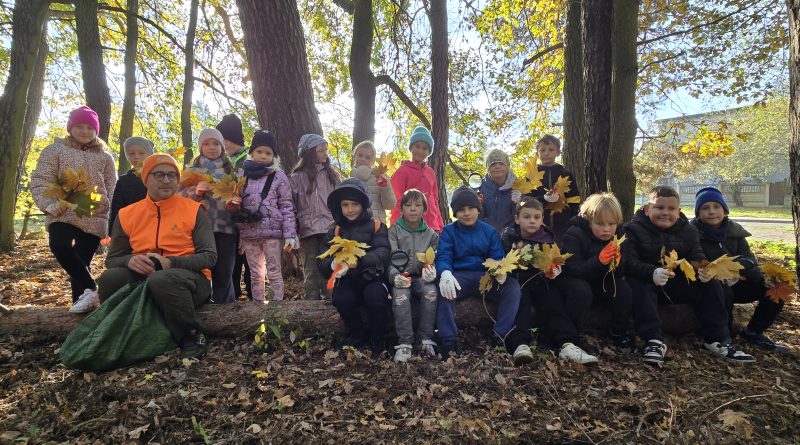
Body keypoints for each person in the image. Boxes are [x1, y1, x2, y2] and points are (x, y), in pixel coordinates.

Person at [97, 153, 216, 360]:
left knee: (162, 278)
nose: (167, 180)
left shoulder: (194, 210)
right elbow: (112, 259)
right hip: (143, 277)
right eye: (159, 175)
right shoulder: (127, 214)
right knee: (109, 278)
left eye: (172, 175)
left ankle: (191, 336)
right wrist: (130, 260)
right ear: (146, 179)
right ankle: (121, 334)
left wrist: (170, 262)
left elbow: (209, 257)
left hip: (190, 281)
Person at [624, 186, 755, 363]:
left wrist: (704, 270)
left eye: (671, 209)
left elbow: (697, 256)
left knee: (711, 284)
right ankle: (653, 340)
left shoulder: (688, 231)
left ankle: (717, 339)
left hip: (677, 283)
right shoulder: (632, 229)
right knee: (638, 284)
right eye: (659, 207)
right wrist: (651, 272)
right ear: (647, 209)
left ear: (678, 211)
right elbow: (628, 262)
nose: (665, 213)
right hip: (649, 282)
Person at [30, 105, 117, 313]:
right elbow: (41, 179)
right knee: (59, 245)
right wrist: (48, 204)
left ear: (96, 130)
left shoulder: (105, 157)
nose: (85, 131)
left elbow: (113, 187)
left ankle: (81, 307)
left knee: (82, 259)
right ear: (70, 128)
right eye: (80, 126)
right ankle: (92, 288)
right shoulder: (56, 150)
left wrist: (113, 218)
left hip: (95, 213)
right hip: (63, 210)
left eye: (90, 127)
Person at [562, 193, 665, 365]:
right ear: (589, 221)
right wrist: (599, 261)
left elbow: (623, 269)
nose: (607, 229)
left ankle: (619, 330)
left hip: (604, 280)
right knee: (581, 291)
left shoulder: (620, 235)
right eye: (600, 224)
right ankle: (573, 333)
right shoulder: (575, 234)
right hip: (579, 279)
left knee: (623, 290)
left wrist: (617, 263)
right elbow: (573, 269)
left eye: (611, 224)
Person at [691, 187, 787, 351]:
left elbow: (749, 260)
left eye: (716, 206)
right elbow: (695, 262)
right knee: (723, 291)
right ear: (698, 213)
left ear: (725, 210)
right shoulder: (692, 233)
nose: (711, 212)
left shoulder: (735, 232)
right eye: (705, 208)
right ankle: (724, 335)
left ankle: (753, 331)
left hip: (739, 281)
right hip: (710, 285)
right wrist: (719, 273)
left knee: (777, 288)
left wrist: (761, 278)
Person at [502, 198, 593, 364]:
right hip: (518, 280)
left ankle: (567, 343)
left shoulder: (548, 239)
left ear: (542, 219)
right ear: (517, 219)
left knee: (553, 302)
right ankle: (520, 343)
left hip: (541, 280)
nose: (532, 221)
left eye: (536, 217)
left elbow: (556, 262)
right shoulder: (509, 237)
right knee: (521, 303)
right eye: (527, 217)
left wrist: (554, 270)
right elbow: (503, 259)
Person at [436, 186, 522, 360]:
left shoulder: (489, 231)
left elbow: (497, 255)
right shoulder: (449, 231)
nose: (467, 213)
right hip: (459, 276)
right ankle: (448, 340)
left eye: (471, 208)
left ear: (478, 209)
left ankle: (499, 336)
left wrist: (500, 270)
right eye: (461, 210)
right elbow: (444, 255)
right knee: (445, 291)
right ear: (456, 213)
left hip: (486, 276)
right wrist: (445, 273)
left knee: (512, 287)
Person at [318, 178, 391, 358]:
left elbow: (383, 252)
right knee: (342, 298)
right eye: (345, 205)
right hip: (346, 280)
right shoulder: (335, 231)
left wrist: (360, 260)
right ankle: (357, 335)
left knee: (375, 297)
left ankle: (378, 338)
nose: (350, 209)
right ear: (339, 207)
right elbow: (322, 259)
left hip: (372, 278)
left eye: (355, 204)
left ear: (363, 205)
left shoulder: (377, 226)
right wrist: (333, 264)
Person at [236, 130, 297, 301]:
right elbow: (238, 206)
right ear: (252, 152)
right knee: (255, 274)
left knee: (274, 272)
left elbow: (286, 206)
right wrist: (240, 235)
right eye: (259, 151)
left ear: (274, 156)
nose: (263, 156)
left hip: (272, 234)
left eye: (268, 153)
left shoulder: (279, 176)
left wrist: (290, 234)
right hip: (249, 234)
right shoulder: (241, 176)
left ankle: (277, 307)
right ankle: (258, 307)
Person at [182, 128, 237, 304]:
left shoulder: (231, 171)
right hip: (199, 230)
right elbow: (178, 199)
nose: (211, 147)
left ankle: (225, 307)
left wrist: (235, 204)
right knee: (202, 269)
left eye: (216, 144)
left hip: (226, 228)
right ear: (200, 147)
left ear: (222, 147)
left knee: (224, 270)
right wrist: (195, 192)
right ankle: (202, 305)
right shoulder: (191, 171)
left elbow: (240, 195)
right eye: (206, 144)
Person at [387, 189, 439, 362]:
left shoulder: (431, 235)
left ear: (425, 210)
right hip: (401, 277)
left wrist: (432, 273)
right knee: (400, 296)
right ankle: (405, 343)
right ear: (401, 209)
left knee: (431, 292)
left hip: (421, 278)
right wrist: (395, 276)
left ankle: (426, 339)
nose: (413, 209)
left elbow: (435, 259)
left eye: (418, 205)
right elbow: (389, 260)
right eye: (408, 205)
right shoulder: (394, 231)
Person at [290, 134, 341, 300]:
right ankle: (310, 300)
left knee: (329, 264)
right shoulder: (297, 178)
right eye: (321, 150)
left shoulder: (332, 175)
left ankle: (331, 298)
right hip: (308, 229)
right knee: (311, 267)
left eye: (326, 150)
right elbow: (291, 206)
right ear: (310, 152)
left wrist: (340, 224)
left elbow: (340, 201)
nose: (325, 153)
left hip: (329, 228)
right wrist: (293, 232)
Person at [216, 114, 252, 300]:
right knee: (232, 262)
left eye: (225, 140)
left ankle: (255, 299)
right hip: (230, 220)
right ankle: (234, 299)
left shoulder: (251, 158)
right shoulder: (223, 161)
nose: (224, 145)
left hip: (249, 219)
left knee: (251, 261)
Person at [525, 135, 580, 245]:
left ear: (558, 152)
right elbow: (526, 200)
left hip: (562, 226)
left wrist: (572, 223)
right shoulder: (531, 175)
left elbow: (574, 201)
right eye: (542, 150)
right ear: (537, 153)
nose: (546, 153)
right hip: (538, 226)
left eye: (551, 150)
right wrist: (544, 199)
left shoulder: (566, 174)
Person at [389, 126, 444, 233]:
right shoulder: (402, 172)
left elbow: (434, 200)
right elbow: (396, 201)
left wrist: (440, 225)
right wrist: (397, 226)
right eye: (417, 146)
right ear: (411, 148)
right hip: (408, 227)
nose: (420, 151)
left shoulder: (431, 173)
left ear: (429, 152)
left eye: (424, 148)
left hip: (431, 226)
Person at [109, 136, 153, 232]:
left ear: (149, 154)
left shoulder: (157, 177)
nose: (136, 156)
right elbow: (117, 207)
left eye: (141, 153)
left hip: (153, 225)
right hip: (129, 227)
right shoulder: (122, 181)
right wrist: (114, 231)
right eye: (131, 153)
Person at [349, 140, 396, 224]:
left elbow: (389, 205)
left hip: (376, 224)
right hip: (356, 224)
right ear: (355, 156)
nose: (363, 159)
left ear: (373, 161)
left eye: (367, 157)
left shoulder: (379, 177)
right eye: (360, 155)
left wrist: (384, 186)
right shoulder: (350, 181)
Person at [479, 149, 521, 235]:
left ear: (507, 167)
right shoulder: (479, 188)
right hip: (485, 237)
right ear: (487, 168)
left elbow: (524, 217)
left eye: (501, 163)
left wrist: (518, 204)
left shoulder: (519, 187)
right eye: (493, 164)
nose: (497, 166)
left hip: (511, 237)